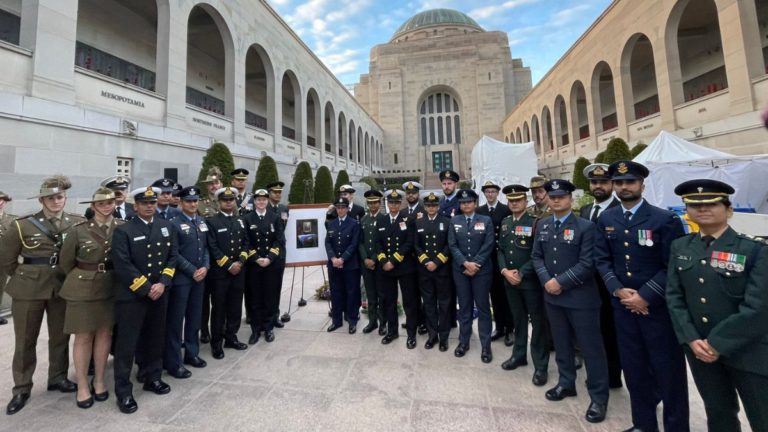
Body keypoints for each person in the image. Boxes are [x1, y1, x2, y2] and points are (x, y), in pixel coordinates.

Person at [594, 160, 689, 432]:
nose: (624, 187)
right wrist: (618, 290)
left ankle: (676, 427)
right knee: (634, 371)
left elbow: (671, 264)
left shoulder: (664, 219)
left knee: (668, 373)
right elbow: (602, 260)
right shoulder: (607, 219)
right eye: (620, 183)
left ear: (642, 185)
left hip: (655, 309)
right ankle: (643, 425)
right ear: (613, 186)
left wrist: (645, 296)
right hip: (623, 306)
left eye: (630, 182)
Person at [667, 179, 768, 432]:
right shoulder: (681, 246)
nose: (703, 209)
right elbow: (674, 296)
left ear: (729, 210)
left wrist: (716, 344)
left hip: (748, 350)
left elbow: (758, 307)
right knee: (718, 413)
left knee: (762, 415)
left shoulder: (754, 249)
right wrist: (691, 339)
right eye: (694, 204)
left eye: (712, 203)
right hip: (699, 349)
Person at [2, 176, 83, 415]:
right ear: (41, 200)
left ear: (65, 198)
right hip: (29, 289)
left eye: (59, 197)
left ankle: (57, 377)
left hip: (60, 287)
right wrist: (25, 275)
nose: (56, 201)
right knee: (25, 339)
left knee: (60, 336)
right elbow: (7, 259)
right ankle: (22, 387)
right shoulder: (22, 225)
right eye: (51, 198)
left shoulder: (75, 223)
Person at [531, 179, 608, 424]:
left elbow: (588, 264)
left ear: (570, 199)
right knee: (562, 344)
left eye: (561, 196)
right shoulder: (543, 225)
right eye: (552, 196)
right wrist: (546, 281)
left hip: (580, 299)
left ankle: (598, 396)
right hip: (552, 298)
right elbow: (537, 256)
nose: (556, 200)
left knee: (591, 349)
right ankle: (566, 383)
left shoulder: (585, 227)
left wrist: (560, 282)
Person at [110, 186, 178, 414]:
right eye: (144, 203)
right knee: (127, 344)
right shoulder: (124, 230)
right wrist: (147, 288)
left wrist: (163, 283)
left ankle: (152, 377)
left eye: (152, 202)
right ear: (135, 206)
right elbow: (122, 264)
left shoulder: (166, 226)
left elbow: (172, 257)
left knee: (155, 337)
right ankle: (124, 391)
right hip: (133, 295)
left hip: (159, 293)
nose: (150, 206)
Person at [59, 188, 121, 408]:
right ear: (93, 206)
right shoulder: (78, 230)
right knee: (84, 336)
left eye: (110, 202)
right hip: (83, 288)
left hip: (111, 286)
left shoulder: (121, 227)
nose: (106, 207)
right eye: (101, 204)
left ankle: (100, 380)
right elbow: (65, 263)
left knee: (105, 333)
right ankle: (83, 384)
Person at [497, 184, 550, 386]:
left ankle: (541, 365)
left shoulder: (535, 223)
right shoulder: (505, 222)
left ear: (525, 202)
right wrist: (504, 271)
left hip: (529, 282)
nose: (514, 203)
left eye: (518, 200)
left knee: (538, 324)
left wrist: (521, 272)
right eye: (511, 201)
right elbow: (500, 249)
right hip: (510, 281)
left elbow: (538, 253)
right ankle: (519, 355)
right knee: (518, 319)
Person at [578, 163, 622, 389]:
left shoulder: (619, 209)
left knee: (610, 330)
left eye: (603, 182)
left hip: (610, 281)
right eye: (594, 182)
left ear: (612, 185)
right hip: (587, 281)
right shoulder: (586, 210)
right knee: (591, 328)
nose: (598, 186)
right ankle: (596, 371)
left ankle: (613, 377)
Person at [164, 186, 209, 380]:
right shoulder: (173, 223)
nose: (192, 204)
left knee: (194, 317)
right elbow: (173, 253)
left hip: (200, 278)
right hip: (182, 279)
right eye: (189, 201)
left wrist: (205, 267)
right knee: (176, 321)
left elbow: (205, 248)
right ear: (181, 203)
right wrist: (192, 270)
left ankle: (192, 353)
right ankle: (174, 362)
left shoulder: (201, 221)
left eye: (195, 201)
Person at [448, 189, 495, 363]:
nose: (466, 205)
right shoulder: (455, 220)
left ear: (475, 203)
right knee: (465, 307)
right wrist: (465, 263)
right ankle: (463, 342)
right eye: (463, 202)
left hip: (481, 271)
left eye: (469, 202)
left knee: (483, 307)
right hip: (461, 271)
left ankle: (485, 345)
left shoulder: (486, 220)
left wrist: (476, 264)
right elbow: (452, 245)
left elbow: (489, 244)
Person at [205, 187, 249, 356]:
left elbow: (246, 242)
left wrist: (241, 261)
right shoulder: (212, 221)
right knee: (219, 308)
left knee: (235, 306)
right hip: (221, 274)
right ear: (219, 202)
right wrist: (229, 265)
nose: (229, 202)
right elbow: (213, 247)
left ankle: (231, 337)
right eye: (225, 200)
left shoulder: (240, 221)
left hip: (239, 272)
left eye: (231, 200)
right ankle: (217, 343)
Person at [375, 190, 418, 348]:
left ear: (401, 204)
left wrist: (393, 260)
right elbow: (377, 244)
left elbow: (409, 243)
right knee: (389, 302)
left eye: (396, 203)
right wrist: (384, 261)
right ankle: (392, 331)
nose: (393, 205)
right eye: (391, 203)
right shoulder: (381, 220)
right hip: (386, 269)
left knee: (409, 302)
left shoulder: (408, 220)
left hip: (404, 267)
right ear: (387, 204)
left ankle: (411, 334)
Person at [243, 189, 285, 344]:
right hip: (254, 265)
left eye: (264, 199)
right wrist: (255, 258)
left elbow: (278, 240)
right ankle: (255, 329)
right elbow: (246, 241)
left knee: (270, 297)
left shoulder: (274, 218)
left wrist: (269, 258)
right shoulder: (247, 218)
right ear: (254, 201)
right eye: (258, 199)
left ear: (267, 201)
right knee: (254, 297)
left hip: (270, 264)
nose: (261, 202)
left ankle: (268, 328)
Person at [413, 192, 452, 351]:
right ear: (425, 206)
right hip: (425, 270)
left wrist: (436, 262)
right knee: (428, 303)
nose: (431, 208)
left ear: (438, 206)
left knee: (444, 303)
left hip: (441, 270)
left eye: (434, 205)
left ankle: (444, 337)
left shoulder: (447, 221)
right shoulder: (418, 222)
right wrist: (425, 261)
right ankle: (432, 335)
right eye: (428, 205)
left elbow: (449, 245)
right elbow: (416, 245)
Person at [477, 181, 514, 346]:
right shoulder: (480, 211)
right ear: (484, 194)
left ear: (498, 193)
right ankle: (499, 327)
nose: (490, 194)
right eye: (487, 192)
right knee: (495, 295)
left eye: (493, 191)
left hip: (504, 258)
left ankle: (509, 329)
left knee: (507, 295)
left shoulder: (506, 210)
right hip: (488, 259)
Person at [325, 197, 362, 334]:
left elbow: (354, 244)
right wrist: (333, 258)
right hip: (334, 265)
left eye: (343, 207)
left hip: (350, 265)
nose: (340, 210)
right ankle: (336, 321)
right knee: (336, 292)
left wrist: (343, 259)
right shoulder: (331, 224)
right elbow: (328, 242)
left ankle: (352, 321)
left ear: (347, 209)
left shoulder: (354, 224)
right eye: (338, 207)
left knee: (352, 293)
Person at [198, 166, 224, 343]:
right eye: (210, 184)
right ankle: (204, 329)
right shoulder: (200, 204)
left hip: (222, 257)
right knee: (203, 298)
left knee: (220, 297)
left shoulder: (228, 202)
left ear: (221, 183)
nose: (213, 186)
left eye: (216, 182)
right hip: (205, 256)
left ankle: (219, 327)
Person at [399, 181, 427, 335]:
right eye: (408, 193)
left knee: (424, 293)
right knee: (409, 294)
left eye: (414, 192)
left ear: (418, 194)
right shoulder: (402, 213)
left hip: (421, 259)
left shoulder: (425, 209)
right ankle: (412, 320)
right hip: (407, 261)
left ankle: (423, 321)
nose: (411, 195)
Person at [358, 189, 386, 335]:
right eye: (370, 203)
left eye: (375, 202)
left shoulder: (384, 219)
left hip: (379, 264)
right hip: (366, 264)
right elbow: (360, 242)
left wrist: (374, 259)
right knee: (370, 294)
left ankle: (383, 323)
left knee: (381, 294)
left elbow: (384, 243)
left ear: (379, 203)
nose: (373, 205)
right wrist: (365, 259)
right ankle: (372, 322)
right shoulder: (363, 220)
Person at [265, 181, 288, 329]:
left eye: (280, 192)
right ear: (269, 194)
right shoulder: (262, 208)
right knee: (264, 287)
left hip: (279, 253)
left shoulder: (283, 208)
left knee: (277, 286)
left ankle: (275, 315)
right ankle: (263, 317)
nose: (278, 195)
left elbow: (283, 228)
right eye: (275, 192)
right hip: (265, 253)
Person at [0, 191, 16, 326]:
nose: (0, 202)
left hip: (2, 260)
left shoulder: (11, 220)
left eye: (2, 200)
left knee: (0, 286)